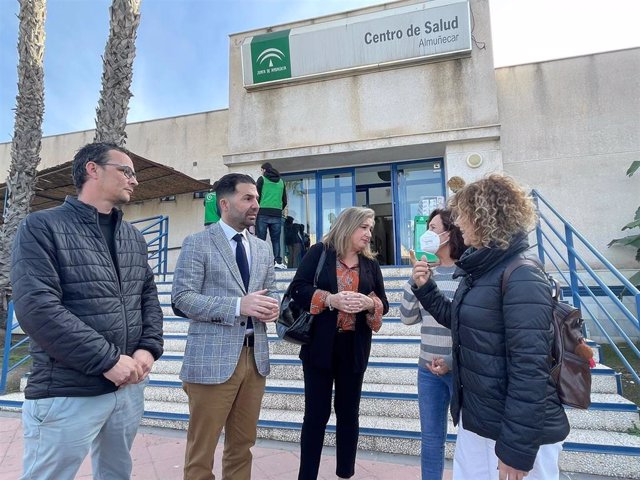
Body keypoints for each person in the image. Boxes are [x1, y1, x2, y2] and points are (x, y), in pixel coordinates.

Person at [10, 142, 164, 480]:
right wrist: (108, 360)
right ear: (92, 169)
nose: (134, 180)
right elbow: (37, 308)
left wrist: (147, 348)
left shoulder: (134, 238)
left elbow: (148, 297)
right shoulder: (41, 227)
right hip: (67, 392)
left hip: (127, 391)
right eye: (126, 171)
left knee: (116, 474)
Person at [411, 174, 570, 480]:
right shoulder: (481, 270)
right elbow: (461, 322)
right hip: (480, 422)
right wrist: (425, 287)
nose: (458, 223)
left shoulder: (521, 274)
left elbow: (530, 368)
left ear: (484, 217)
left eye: (463, 215)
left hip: (513, 434)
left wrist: (516, 450)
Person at [172, 173, 280, 480]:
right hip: (211, 360)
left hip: (254, 359)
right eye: (247, 198)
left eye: (256, 198)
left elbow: (269, 292)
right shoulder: (198, 243)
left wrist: (272, 308)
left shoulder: (262, 248)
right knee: (201, 452)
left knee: (242, 446)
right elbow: (181, 299)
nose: (255, 205)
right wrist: (237, 306)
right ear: (224, 203)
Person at [289, 207, 389, 480]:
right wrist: (330, 299)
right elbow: (296, 289)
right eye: (364, 227)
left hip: (353, 348)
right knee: (316, 415)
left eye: (371, 228)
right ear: (348, 226)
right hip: (319, 347)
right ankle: (307, 475)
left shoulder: (371, 265)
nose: (369, 233)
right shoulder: (319, 253)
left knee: (348, 415)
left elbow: (384, 304)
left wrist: (370, 303)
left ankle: (345, 472)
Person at [399, 208, 466, 480]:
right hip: (427, 370)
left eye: (434, 228)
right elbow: (406, 318)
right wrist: (414, 281)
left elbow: (468, 324)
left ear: (449, 234)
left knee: (470, 439)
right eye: (426, 227)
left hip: (461, 370)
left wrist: (450, 363)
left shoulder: (467, 273)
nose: (428, 233)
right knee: (431, 439)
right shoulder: (425, 272)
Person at [256, 162, 287, 269]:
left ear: (264, 170)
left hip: (263, 213)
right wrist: (278, 209)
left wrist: (258, 208)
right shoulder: (281, 182)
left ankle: (260, 262)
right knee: (276, 240)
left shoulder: (262, 180)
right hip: (276, 214)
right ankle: (277, 262)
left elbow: (256, 196)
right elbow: (284, 200)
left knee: (260, 240)